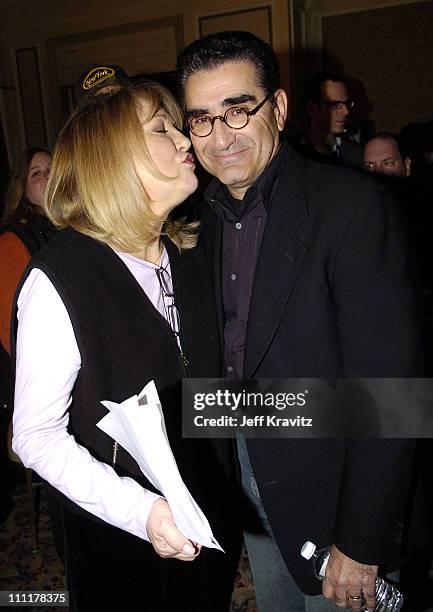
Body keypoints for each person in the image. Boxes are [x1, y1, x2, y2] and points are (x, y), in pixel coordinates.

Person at [176, 30, 423, 612]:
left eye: (239, 110)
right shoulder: (200, 223)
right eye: (202, 119)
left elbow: (391, 395)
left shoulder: (351, 208)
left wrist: (361, 542)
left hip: (336, 488)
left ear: (279, 109)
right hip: (250, 478)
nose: (221, 135)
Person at [12, 82, 238, 611]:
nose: (186, 139)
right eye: (163, 128)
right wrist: (145, 513)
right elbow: (34, 436)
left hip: (206, 518)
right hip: (121, 540)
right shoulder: (62, 276)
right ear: (114, 158)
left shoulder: (189, 250)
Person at [0, 147, 53, 523]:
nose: (49, 175)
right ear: (22, 189)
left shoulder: (78, 226)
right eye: (37, 173)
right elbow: (9, 330)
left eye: (53, 168)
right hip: (43, 383)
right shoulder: (13, 241)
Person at [297, 72, 362, 169]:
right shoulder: (295, 156)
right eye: (335, 105)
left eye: (347, 103)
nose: (346, 112)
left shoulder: (356, 157)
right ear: (312, 108)